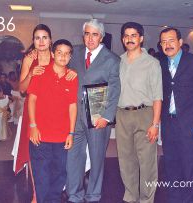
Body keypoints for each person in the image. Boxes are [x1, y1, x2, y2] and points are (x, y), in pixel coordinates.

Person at [15, 24, 76, 203]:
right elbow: (23, 90)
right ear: (33, 41)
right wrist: (32, 74)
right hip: (33, 111)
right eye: (37, 38)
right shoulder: (29, 59)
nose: (41, 41)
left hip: (55, 114)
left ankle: (48, 194)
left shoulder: (57, 56)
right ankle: (37, 194)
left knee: (55, 161)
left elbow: (65, 69)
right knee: (35, 153)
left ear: (50, 40)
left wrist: (71, 71)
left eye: (44, 37)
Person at [66, 19, 120, 203]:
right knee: (73, 156)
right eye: (87, 34)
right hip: (74, 114)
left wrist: (107, 116)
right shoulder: (74, 53)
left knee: (97, 158)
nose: (90, 38)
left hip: (98, 114)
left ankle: (93, 194)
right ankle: (74, 194)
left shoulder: (112, 59)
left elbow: (115, 91)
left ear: (101, 37)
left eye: (94, 34)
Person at [116, 22, 162, 203]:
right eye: (126, 36)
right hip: (122, 115)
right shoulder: (117, 61)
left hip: (145, 114)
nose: (129, 39)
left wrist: (155, 124)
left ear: (141, 38)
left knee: (147, 161)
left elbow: (158, 96)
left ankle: (146, 199)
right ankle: (131, 196)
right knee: (126, 159)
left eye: (133, 35)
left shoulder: (152, 63)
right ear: (122, 39)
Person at [159, 27, 193, 203]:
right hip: (168, 124)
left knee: (190, 165)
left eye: (171, 40)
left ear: (180, 42)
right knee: (171, 164)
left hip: (189, 124)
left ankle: (192, 200)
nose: (167, 45)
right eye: (163, 42)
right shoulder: (159, 64)